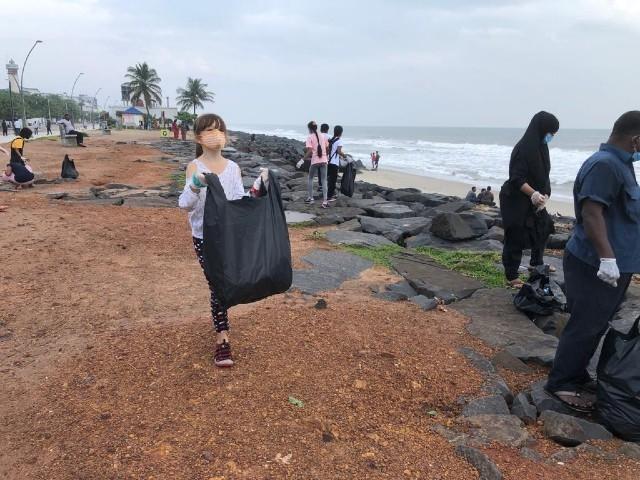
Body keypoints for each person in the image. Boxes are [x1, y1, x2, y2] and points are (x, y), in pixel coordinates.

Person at [545, 111, 640, 412]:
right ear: (636, 140)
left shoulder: (621, 165)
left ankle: (575, 373)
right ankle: (561, 383)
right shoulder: (606, 165)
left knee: (596, 323)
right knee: (586, 324)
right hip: (596, 264)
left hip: (615, 263)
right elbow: (591, 213)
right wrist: (607, 259)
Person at [178, 113, 246, 368]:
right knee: (217, 285)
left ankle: (222, 327)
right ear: (199, 137)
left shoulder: (234, 168)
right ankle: (222, 339)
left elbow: (239, 201)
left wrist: (259, 191)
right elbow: (185, 204)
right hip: (204, 237)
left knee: (226, 284)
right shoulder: (195, 167)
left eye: (219, 130)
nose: (215, 135)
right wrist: (196, 185)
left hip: (228, 236)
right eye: (209, 130)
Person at [499, 111, 559, 288]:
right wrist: (532, 194)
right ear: (541, 129)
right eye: (550, 133)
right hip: (515, 198)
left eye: (554, 134)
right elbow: (516, 178)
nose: (551, 137)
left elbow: (544, 174)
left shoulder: (542, 147)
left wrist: (545, 194)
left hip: (536, 198)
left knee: (544, 227)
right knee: (515, 234)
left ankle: (536, 264)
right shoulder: (523, 148)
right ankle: (511, 275)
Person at [303, 121, 329, 208]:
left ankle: (311, 198)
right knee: (324, 180)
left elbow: (310, 151)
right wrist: (325, 156)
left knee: (310, 178)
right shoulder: (323, 136)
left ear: (309, 128)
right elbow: (327, 148)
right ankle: (325, 201)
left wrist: (302, 159)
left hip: (315, 161)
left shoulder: (310, 137)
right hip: (324, 160)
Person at [327, 125, 346, 201]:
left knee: (329, 179)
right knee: (333, 180)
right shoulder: (339, 141)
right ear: (341, 132)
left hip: (329, 161)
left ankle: (328, 194)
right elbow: (338, 151)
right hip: (334, 163)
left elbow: (329, 150)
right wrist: (345, 156)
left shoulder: (331, 139)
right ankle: (329, 196)